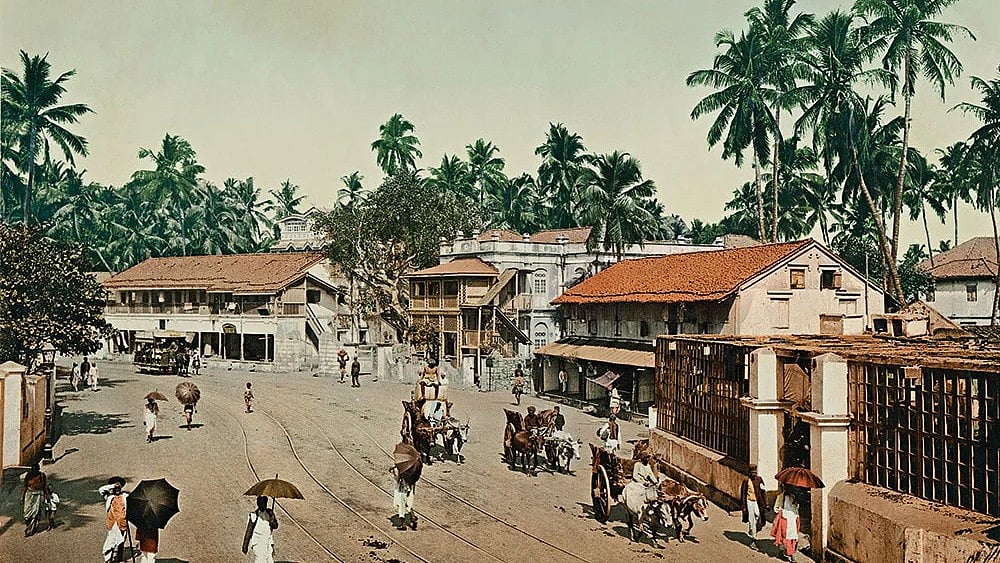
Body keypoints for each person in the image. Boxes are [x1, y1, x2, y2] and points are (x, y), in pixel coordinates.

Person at [242, 495, 278, 562]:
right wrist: (245, 545)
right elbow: (249, 531)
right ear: (258, 504)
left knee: (269, 560)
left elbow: (275, 526)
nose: (263, 505)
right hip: (258, 542)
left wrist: (272, 520)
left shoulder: (270, 513)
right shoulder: (254, 515)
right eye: (261, 504)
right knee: (260, 560)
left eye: (264, 503)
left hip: (268, 542)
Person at [100, 477, 128, 563]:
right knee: (111, 542)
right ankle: (109, 559)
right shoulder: (109, 497)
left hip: (123, 522)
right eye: (116, 488)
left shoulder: (125, 496)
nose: (117, 490)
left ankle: (119, 558)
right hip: (113, 523)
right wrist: (112, 486)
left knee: (121, 542)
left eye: (119, 488)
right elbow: (101, 490)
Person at [770, 484, 800, 561]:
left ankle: (788, 552)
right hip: (785, 519)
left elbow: (796, 508)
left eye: (790, 487)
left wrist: (796, 504)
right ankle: (791, 555)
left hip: (793, 519)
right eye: (786, 488)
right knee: (785, 537)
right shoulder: (780, 497)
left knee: (793, 537)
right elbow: (775, 508)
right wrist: (780, 509)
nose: (788, 489)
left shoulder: (793, 497)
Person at [741, 465, 768, 546]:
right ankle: (753, 538)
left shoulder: (759, 479)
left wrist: (766, 503)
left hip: (757, 501)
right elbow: (743, 494)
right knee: (751, 519)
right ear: (749, 473)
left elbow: (763, 491)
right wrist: (743, 506)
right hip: (749, 501)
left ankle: (753, 530)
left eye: (755, 472)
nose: (754, 474)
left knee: (758, 515)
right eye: (752, 472)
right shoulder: (746, 480)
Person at [20, 463, 50, 537]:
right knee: (26, 513)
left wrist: (47, 496)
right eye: (33, 470)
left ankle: (31, 529)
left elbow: (45, 486)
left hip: (39, 495)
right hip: (29, 495)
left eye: (36, 470)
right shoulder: (28, 476)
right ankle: (29, 526)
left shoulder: (42, 475)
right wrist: (22, 497)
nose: (35, 472)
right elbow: (25, 487)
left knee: (36, 513)